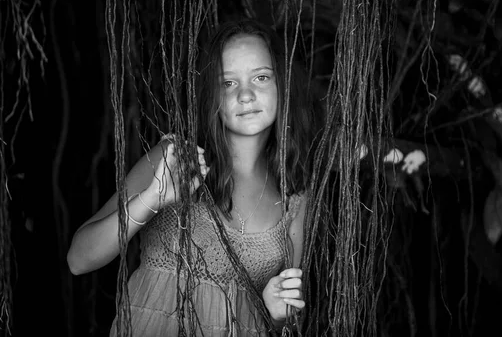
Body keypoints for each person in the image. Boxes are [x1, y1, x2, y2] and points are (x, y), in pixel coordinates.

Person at [67, 18, 318, 336]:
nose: (245, 95)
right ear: (212, 95)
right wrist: (152, 199)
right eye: (228, 83)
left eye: (261, 77)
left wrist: (276, 314)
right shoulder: (176, 159)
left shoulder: (294, 194)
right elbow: (79, 259)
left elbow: (286, 317)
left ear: (282, 84)